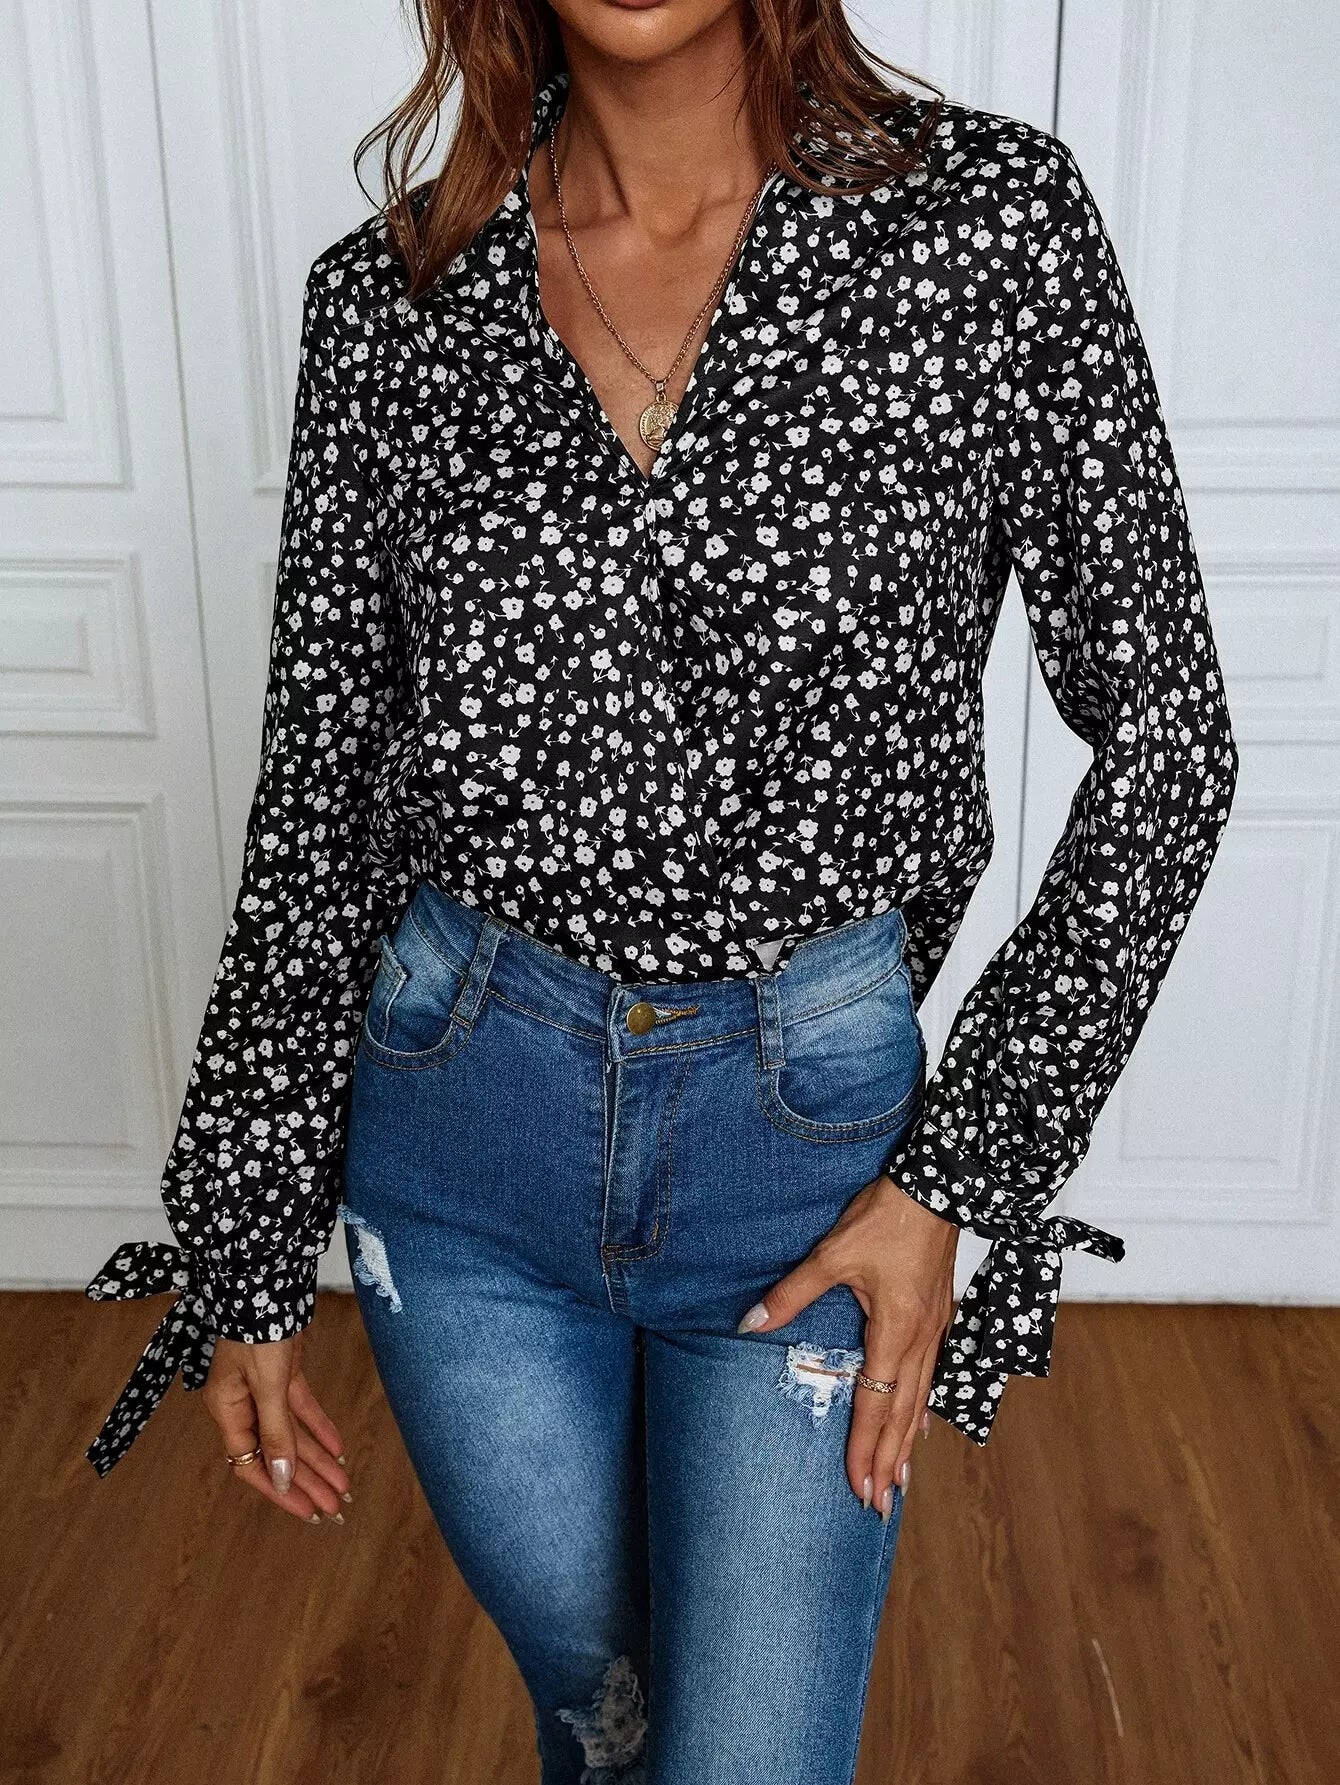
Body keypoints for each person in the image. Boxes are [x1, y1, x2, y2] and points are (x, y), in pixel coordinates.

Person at [81, 0, 1239, 1778]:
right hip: (462, 1145)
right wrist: (244, 1246)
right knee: (604, 1719)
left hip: (808, 1158)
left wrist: (962, 1172)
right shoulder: (392, 302)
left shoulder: (987, 229)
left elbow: (1170, 740)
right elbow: (318, 797)